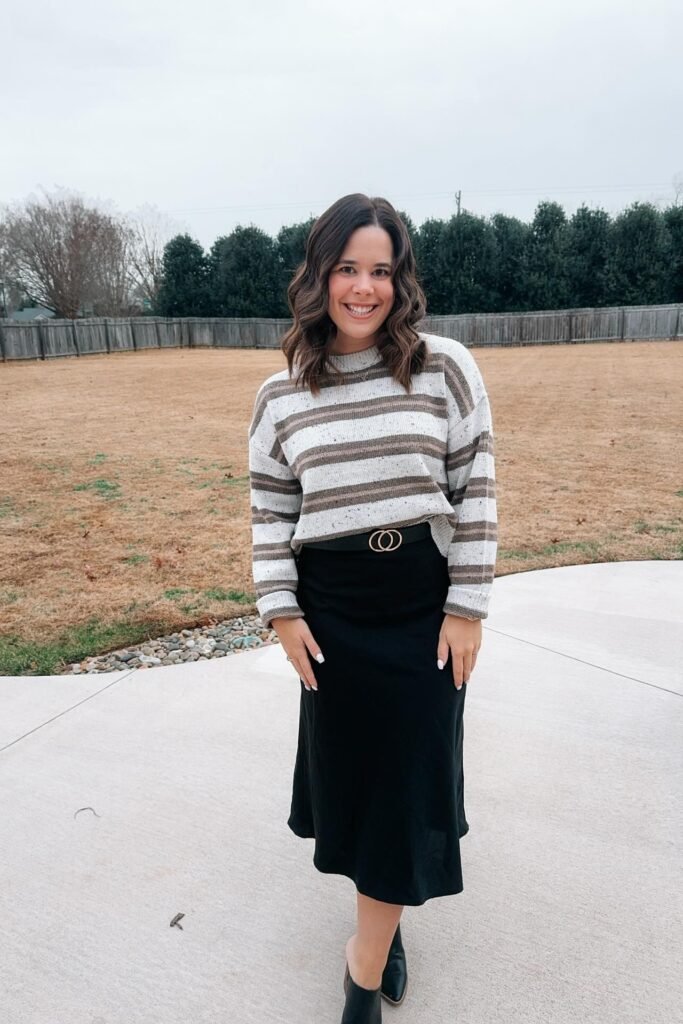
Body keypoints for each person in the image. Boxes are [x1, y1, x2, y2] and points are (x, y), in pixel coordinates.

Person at [248, 193, 498, 1024]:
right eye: (346, 268)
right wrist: (281, 613)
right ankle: (382, 925)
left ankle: (361, 967)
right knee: (357, 779)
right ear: (317, 276)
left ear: (401, 279)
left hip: (421, 603)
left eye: (380, 270)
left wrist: (466, 607)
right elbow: (270, 511)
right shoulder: (280, 393)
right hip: (333, 611)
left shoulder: (443, 366)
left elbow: (476, 490)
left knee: (407, 777)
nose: (363, 288)